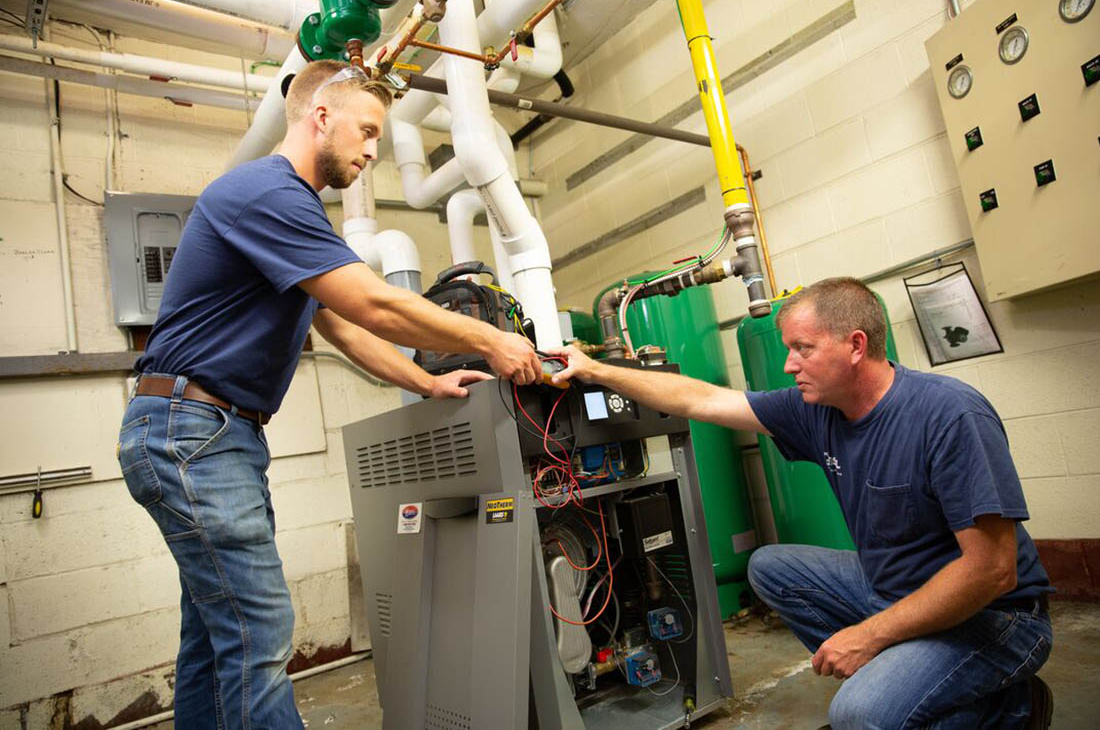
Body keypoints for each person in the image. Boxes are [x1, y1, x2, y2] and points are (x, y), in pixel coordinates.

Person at [116, 60, 542, 729]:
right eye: (366, 130)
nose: (373, 150)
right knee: (257, 631)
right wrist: (489, 339)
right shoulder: (267, 192)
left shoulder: (287, 212)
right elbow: (371, 302)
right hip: (191, 428)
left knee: (213, 634)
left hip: (203, 431)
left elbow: (340, 324)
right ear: (321, 116)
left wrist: (427, 381)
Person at [548, 277, 1053, 729]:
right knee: (770, 567)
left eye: (802, 349)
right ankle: (911, 682)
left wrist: (870, 636)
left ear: (856, 346)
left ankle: (1010, 708)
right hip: (895, 590)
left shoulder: (948, 415)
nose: (789, 364)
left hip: (997, 617)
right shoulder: (818, 409)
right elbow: (698, 399)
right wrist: (596, 370)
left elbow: (992, 571)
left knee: (858, 714)